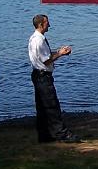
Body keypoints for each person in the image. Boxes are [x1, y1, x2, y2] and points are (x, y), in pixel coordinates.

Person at [28, 14, 74, 143]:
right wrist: (60, 53)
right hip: (43, 77)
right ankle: (62, 134)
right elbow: (46, 61)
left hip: (37, 75)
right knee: (51, 105)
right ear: (41, 24)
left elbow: (45, 55)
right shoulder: (39, 40)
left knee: (42, 107)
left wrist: (58, 51)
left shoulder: (34, 38)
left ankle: (44, 135)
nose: (49, 25)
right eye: (47, 22)